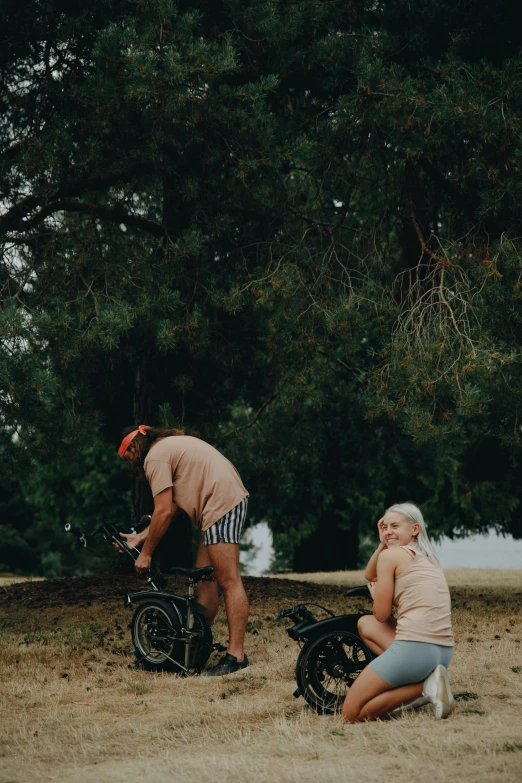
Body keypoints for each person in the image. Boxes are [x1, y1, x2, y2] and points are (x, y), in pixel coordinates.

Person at [117, 424, 250, 676]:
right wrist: (140, 538)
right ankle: (198, 645)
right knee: (205, 579)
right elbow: (174, 506)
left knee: (229, 581)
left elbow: (164, 511)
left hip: (221, 501)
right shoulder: (166, 449)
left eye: (128, 457)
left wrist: (146, 553)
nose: (130, 464)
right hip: (218, 502)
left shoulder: (154, 457)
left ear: (134, 447)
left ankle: (236, 656)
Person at [342, 502, 455, 723]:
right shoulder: (428, 557)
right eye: (384, 527)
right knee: (365, 624)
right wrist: (381, 545)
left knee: (351, 714)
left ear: (414, 529)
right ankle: (427, 678)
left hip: (416, 649)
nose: (388, 531)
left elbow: (382, 615)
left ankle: (424, 686)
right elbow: (369, 575)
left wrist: (377, 598)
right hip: (443, 652)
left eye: (395, 526)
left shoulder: (392, 557)